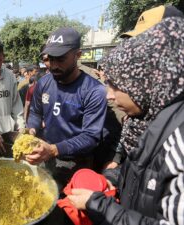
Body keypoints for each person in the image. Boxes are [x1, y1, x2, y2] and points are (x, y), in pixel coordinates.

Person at [67, 17, 184, 225]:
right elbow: (143, 176)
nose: (108, 96)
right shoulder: (150, 121)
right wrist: (111, 179)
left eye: (115, 86)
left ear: (143, 83)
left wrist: (100, 205)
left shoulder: (178, 141)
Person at [26, 27, 107, 191]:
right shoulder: (44, 83)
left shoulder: (94, 91)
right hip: (45, 155)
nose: (53, 66)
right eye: (50, 59)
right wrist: (32, 131)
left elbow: (91, 136)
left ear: (77, 55)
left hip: (76, 163)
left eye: (61, 59)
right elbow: (35, 112)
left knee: (70, 211)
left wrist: (54, 149)